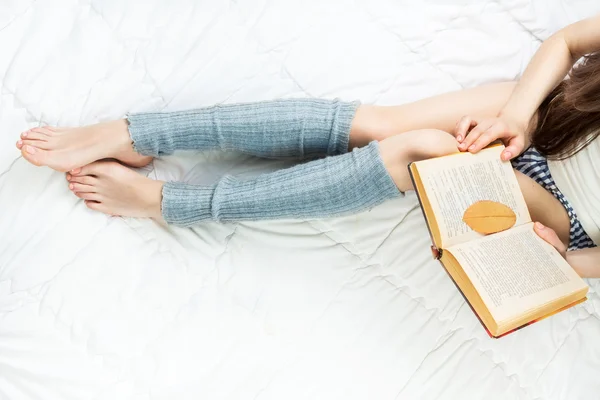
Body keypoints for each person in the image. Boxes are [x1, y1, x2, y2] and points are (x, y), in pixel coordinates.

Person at [15, 15, 600, 277]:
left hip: (562, 209)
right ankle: (141, 134)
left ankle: (175, 204)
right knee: (380, 122)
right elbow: (572, 38)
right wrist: (520, 115)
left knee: (418, 147)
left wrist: (567, 263)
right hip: (548, 117)